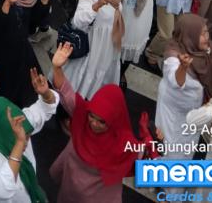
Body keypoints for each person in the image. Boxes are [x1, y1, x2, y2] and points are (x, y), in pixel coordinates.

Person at [50, 43, 144, 203]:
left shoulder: (125, 143)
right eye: (92, 116)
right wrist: (57, 68)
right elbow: (66, 93)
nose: (93, 123)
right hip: (75, 191)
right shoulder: (83, 114)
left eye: (101, 122)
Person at [155, 13, 212, 158]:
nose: (207, 37)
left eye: (207, 32)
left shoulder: (207, 50)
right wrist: (183, 68)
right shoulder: (174, 54)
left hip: (192, 115)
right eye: (202, 34)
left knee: (186, 151)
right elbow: (175, 81)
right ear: (189, 35)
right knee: (170, 153)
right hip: (172, 115)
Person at [0, 73, 58, 203]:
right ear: (6, 134)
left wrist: (45, 94)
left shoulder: (21, 125)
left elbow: (45, 107)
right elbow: (4, 189)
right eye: (20, 137)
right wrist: (19, 144)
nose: (26, 140)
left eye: (28, 135)